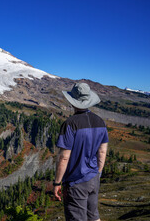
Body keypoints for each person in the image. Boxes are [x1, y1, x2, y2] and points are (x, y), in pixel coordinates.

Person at [53, 82, 108, 221]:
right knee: (94, 216)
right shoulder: (100, 122)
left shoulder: (70, 124)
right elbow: (102, 152)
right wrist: (98, 173)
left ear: (73, 102)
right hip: (94, 177)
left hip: (76, 181)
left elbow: (64, 157)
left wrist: (57, 183)